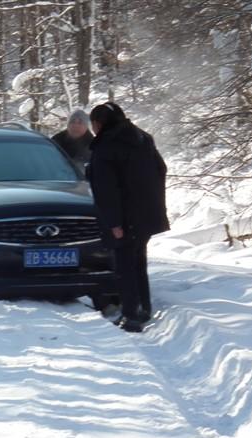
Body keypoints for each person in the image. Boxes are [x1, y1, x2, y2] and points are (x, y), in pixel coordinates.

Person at [88, 102, 169, 332]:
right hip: (146, 214)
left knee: (124, 266)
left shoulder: (106, 146)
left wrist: (114, 222)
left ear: (99, 123)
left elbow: (106, 189)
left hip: (123, 217)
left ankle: (131, 315)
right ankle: (143, 307)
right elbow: (161, 170)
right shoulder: (143, 138)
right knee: (138, 261)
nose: (92, 129)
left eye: (93, 123)